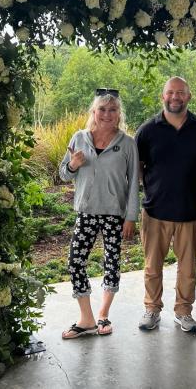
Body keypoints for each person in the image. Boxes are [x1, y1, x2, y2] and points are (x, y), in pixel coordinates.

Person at [136, 76, 196, 333]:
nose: (175, 97)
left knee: (188, 269)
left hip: (190, 211)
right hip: (155, 212)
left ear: (188, 97)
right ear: (163, 96)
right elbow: (138, 168)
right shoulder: (147, 130)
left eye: (180, 92)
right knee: (152, 266)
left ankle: (184, 312)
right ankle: (152, 309)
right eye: (170, 92)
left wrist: (186, 182)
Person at [59, 88, 140, 339]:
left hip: (115, 214)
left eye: (112, 110)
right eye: (102, 109)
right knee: (75, 261)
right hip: (87, 211)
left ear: (119, 114)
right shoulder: (79, 138)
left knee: (111, 262)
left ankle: (103, 314)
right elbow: (63, 173)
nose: (107, 114)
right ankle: (86, 318)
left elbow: (134, 181)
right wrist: (73, 164)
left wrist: (131, 217)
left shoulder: (127, 143)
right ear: (94, 112)